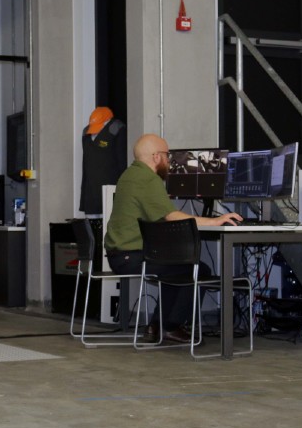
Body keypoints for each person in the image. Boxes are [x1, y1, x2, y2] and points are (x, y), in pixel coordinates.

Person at [103, 133, 242, 343]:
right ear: (156, 157)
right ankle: (171, 326)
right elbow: (171, 217)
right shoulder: (147, 179)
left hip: (120, 255)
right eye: (168, 156)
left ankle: (156, 327)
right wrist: (216, 221)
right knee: (196, 269)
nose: (170, 162)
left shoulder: (130, 175)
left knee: (177, 266)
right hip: (130, 257)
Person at [79, 106, 127, 216]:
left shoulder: (117, 129)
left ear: (107, 121)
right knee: (91, 226)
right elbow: (85, 164)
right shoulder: (86, 132)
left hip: (110, 187)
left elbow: (122, 161)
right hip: (91, 190)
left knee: (108, 224)